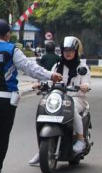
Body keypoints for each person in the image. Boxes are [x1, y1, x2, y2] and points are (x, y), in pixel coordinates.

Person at [0, 20, 62, 173]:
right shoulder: (12, 49)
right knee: (2, 138)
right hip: (6, 102)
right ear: (7, 35)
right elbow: (30, 68)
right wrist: (51, 75)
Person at [28, 36, 90, 165]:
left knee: (71, 108)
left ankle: (80, 139)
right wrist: (40, 84)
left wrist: (85, 86)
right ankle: (41, 150)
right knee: (43, 110)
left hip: (76, 97)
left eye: (71, 50)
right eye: (65, 50)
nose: (68, 53)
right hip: (57, 97)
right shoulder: (57, 66)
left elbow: (87, 82)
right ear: (61, 51)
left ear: (76, 51)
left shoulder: (82, 67)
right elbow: (50, 80)